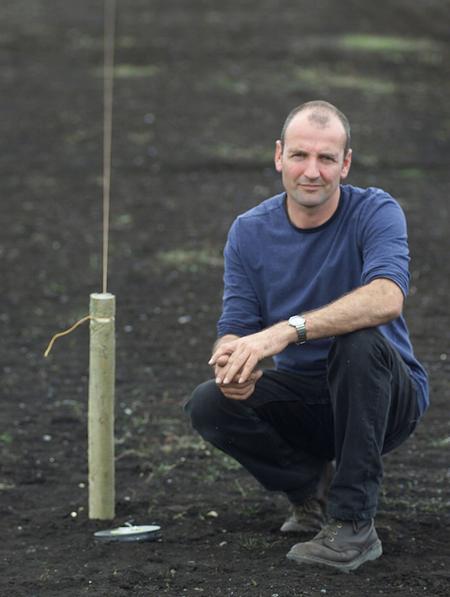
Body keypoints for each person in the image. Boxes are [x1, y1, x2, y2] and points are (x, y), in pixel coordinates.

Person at [185, 100, 429, 572]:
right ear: (279, 156)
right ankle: (307, 490)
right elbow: (234, 324)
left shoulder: (376, 211)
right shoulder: (249, 231)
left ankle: (354, 524)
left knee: (359, 341)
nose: (311, 171)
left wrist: (284, 333)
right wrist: (232, 361)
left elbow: (386, 298)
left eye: (326, 158)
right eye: (300, 156)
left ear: (346, 163)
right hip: (308, 400)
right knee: (209, 402)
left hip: (385, 397)